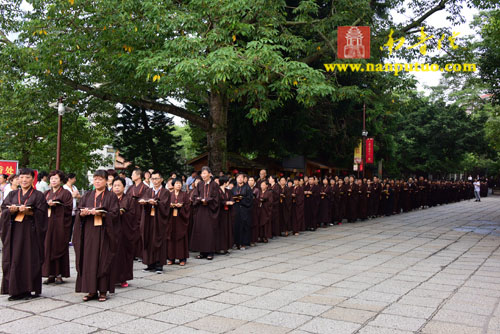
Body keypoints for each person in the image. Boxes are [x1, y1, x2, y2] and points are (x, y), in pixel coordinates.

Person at [1, 168, 48, 300]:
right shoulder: (12, 194)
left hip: (30, 232)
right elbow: (4, 209)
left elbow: (42, 214)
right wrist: (11, 210)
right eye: (21, 177)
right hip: (14, 230)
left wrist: (30, 212)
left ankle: (28, 288)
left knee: (29, 258)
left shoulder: (38, 195)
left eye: (27, 177)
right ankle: (14, 289)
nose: (24, 180)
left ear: (33, 179)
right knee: (13, 258)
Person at [73, 169, 119, 302]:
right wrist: (82, 214)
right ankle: (91, 290)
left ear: (106, 181)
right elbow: (78, 211)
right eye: (95, 179)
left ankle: (103, 291)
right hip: (88, 232)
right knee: (89, 260)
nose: (97, 181)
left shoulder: (111, 196)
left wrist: (103, 214)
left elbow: (115, 214)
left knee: (102, 259)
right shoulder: (87, 195)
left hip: (104, 233)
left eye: (100, 179)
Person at [42, 170, 73, 285]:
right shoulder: (46, 193)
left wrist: (57, 205)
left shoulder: (66, 193)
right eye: (51, 179)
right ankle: (50, 274)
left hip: (60, 225)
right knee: (47, 247)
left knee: (58, 246)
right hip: (48, 224)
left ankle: (59, 274)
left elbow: (69, 208)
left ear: (61, 180)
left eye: (56, 178)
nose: (53, 181)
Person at [139, 171, 171, 273]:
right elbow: (144, 199)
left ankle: (159, 265)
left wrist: (157, 203)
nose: (155, 181)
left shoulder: (165, 192)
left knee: (158, 240)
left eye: (157, 179)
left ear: (161, 179)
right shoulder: (148, 191)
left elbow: (165, 205)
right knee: (149, 239)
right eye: (153, 179)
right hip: (149, 219)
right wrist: (145, 202)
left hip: (159, 220)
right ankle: (150, 264)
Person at [110, 177, 136, 288]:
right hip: (111, 231)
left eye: (118, 185)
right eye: (114, 185)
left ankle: (122, 278)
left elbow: (133, 215)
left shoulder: (129, 199)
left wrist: (123, 213)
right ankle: (110, 278)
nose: (116, 188)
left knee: (123, 255)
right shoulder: (109, 198)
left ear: (124, 187)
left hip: (124, 231)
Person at [190, 166, 220, 260]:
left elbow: (216, 198)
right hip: (201, 210)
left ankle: (210, 252)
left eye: (205, 173)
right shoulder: (200, 184)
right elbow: (195, 195)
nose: (203, 175)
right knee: (201, 230)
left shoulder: (214, 185)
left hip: (210, 210)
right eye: (202, 173)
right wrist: (198, 200)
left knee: (209, 231)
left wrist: (208, 200)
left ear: (209, 174)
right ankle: (202, 252)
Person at [167, 178, 190, 266]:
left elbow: (188, 206)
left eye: (180, 183)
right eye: (176, 183)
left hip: (181, 219)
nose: (178, 185)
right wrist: (170, 206)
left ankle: (182, 258)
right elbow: (165, 206)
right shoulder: (169, 194)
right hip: (171, 219)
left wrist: (182, 206)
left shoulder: (185, 195)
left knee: (181, 238)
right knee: (171, 237)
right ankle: (171, 258)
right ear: (173, 185)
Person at [128, 169, 148, 260]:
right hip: (132, 212)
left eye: (133, 174)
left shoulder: (145, 187)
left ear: (139, 176)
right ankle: (133, 252)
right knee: (132, 231)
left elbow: (147, 198)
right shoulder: (131, 188)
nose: (131, 176)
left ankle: (141, 253)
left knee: (141, 232)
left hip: (141, 212)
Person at [232, 173, 253, 250]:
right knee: (236, 225)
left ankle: (243, 243)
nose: (240, 179)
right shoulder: (234, 188)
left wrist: (242, 199)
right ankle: (236, 242)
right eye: (238, 177)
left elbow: (250, 199)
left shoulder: (247, 188)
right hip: (236, 209)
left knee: (244, 226)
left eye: (241, 177)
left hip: (244, 209)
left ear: (244, 179)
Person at [216, 176, 234, 254]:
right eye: (227, 182)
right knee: (220, 230)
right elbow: (217, 201)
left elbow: (231, 198)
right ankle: (219, 247)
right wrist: (225, 203)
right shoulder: (217, 191)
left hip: (227, 212)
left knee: (227, 229)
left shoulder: (228, 191)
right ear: (225, 182)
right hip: (220, 212)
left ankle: (226, 247)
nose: (228, 183)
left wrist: (231, 202)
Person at [63, 173, 80, 245]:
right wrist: (73, 195)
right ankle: (65, 239)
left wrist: (75, 195)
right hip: (66, 210)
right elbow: (66, 198)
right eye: (74, 178)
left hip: (74, 209)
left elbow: (79, 195)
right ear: (69, 179)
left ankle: (70, 240)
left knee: (72, 225)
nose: (75, 180)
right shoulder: (64, 188)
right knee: (66, 225)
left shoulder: (74, 187)